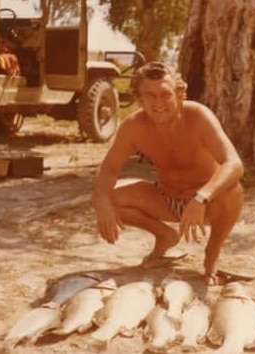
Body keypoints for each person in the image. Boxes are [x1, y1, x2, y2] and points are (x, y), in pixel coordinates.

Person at [93, 61, 244, 286]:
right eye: (150, 96)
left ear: (179, 95)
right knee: (110, 197)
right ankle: (165, 236)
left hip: (206, 203)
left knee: (233, 190)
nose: (158, 103)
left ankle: (212, 253)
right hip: (166, 198)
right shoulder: (133, 126)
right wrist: (101, 202)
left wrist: (202, 197)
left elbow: (234, 163)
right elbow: (108, 170)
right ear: (140, 100)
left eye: (165, 94)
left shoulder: (198, 116)